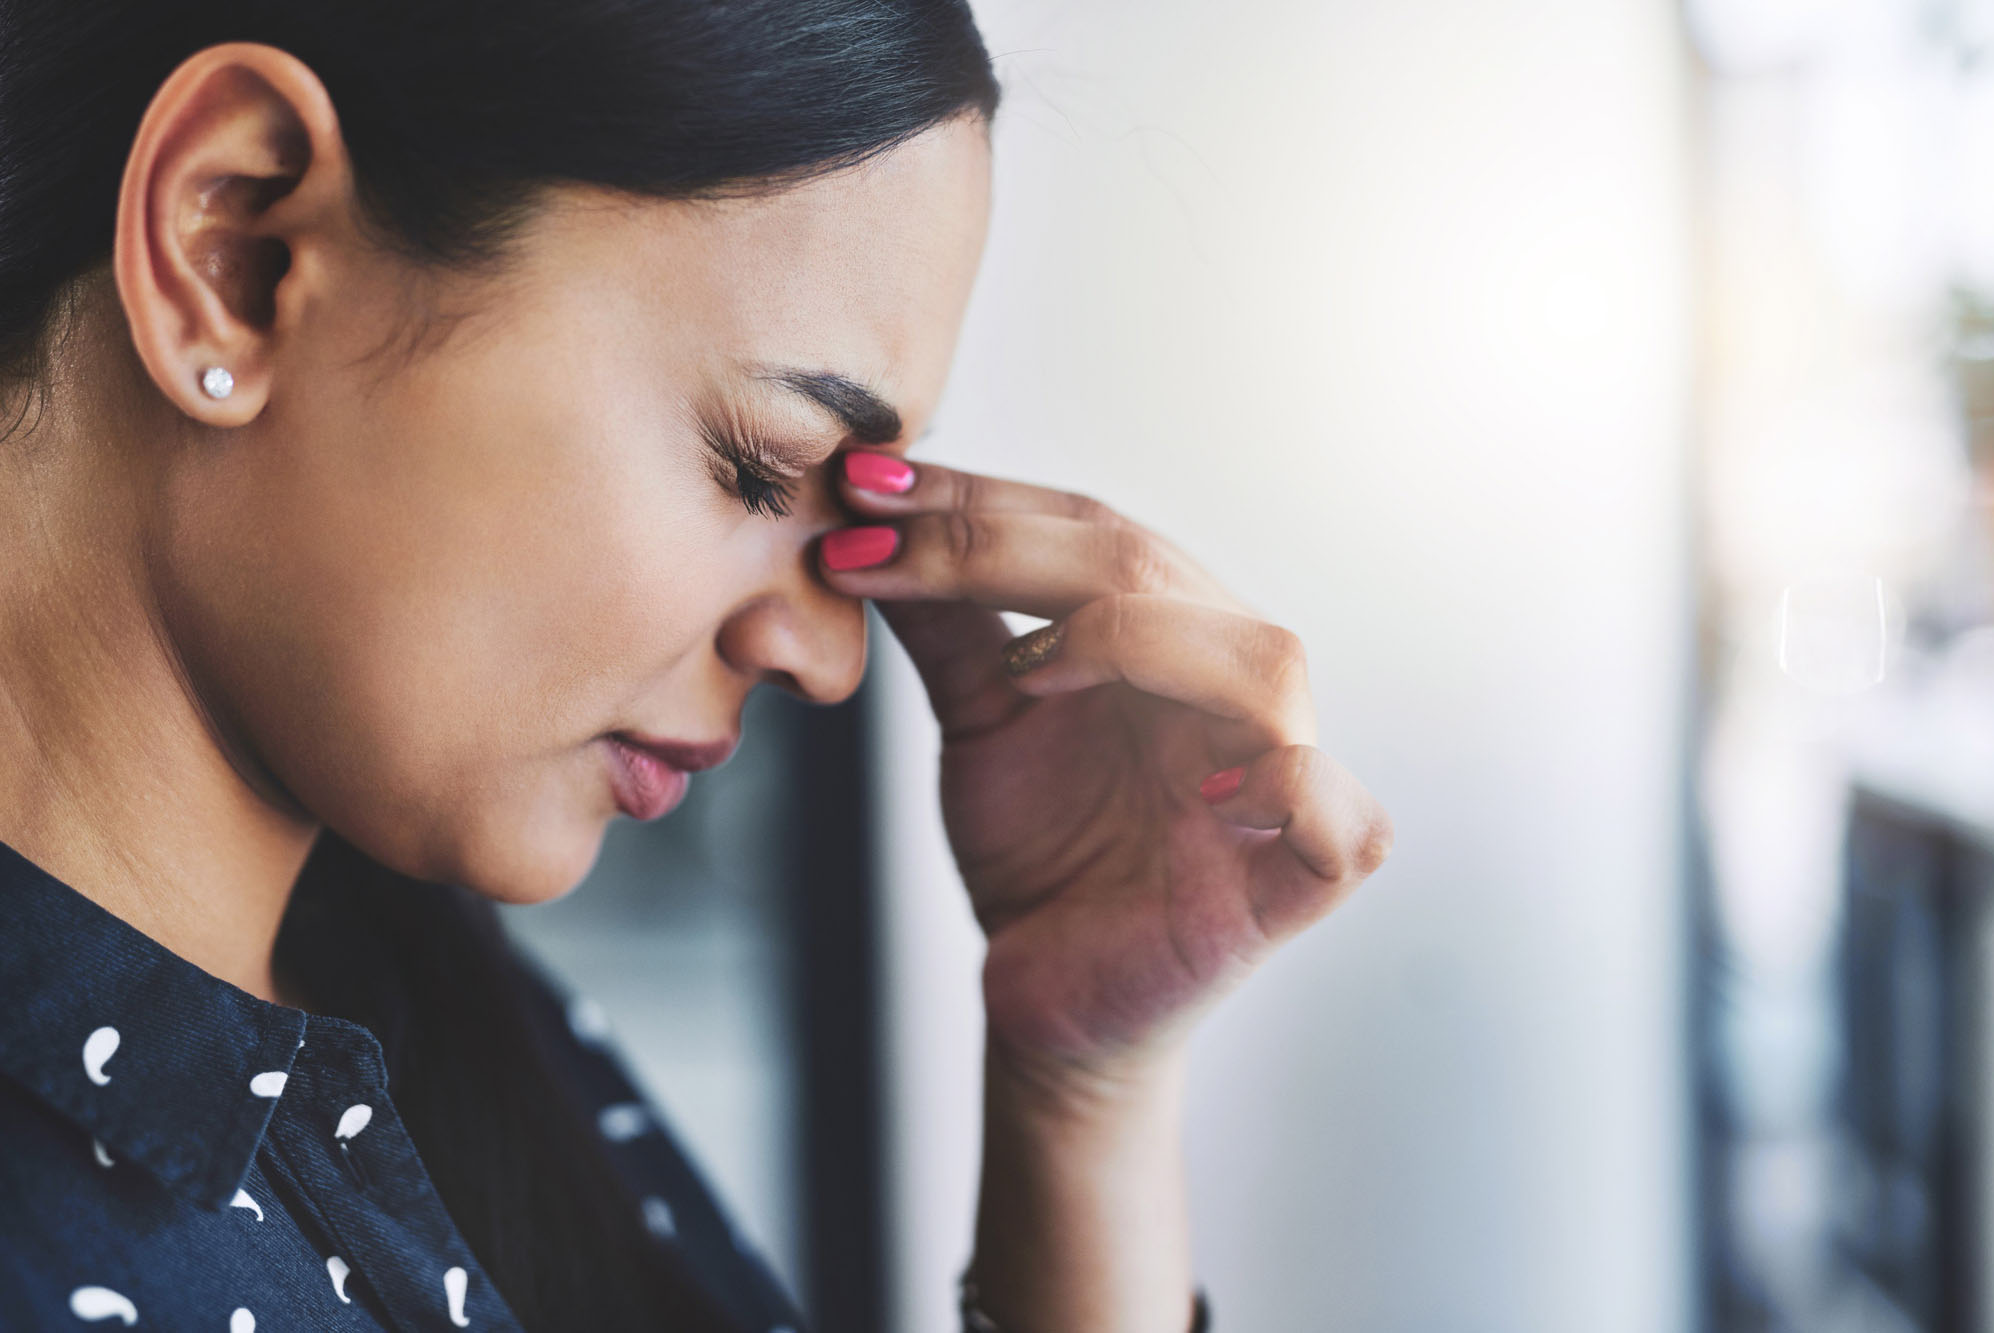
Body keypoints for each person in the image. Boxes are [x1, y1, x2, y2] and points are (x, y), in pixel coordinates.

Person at [0, 1, 1395, 1329]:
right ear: (237, 250)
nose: (828, 659)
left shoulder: (419, 1019)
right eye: (758, 466)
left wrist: (1080, 1098)